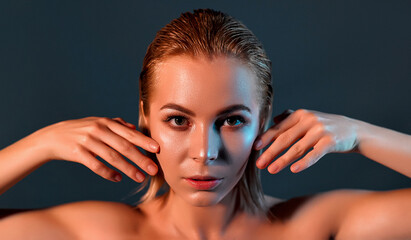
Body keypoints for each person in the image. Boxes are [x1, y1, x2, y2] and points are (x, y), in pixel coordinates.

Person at [0, 8, 410, 240]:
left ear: (263, 121)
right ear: (145, 117)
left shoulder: (313, 227)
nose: (204, 152)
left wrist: (360, 135)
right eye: (178, 120)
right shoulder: (100, 233)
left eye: (232, 120)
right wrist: (40, 144)